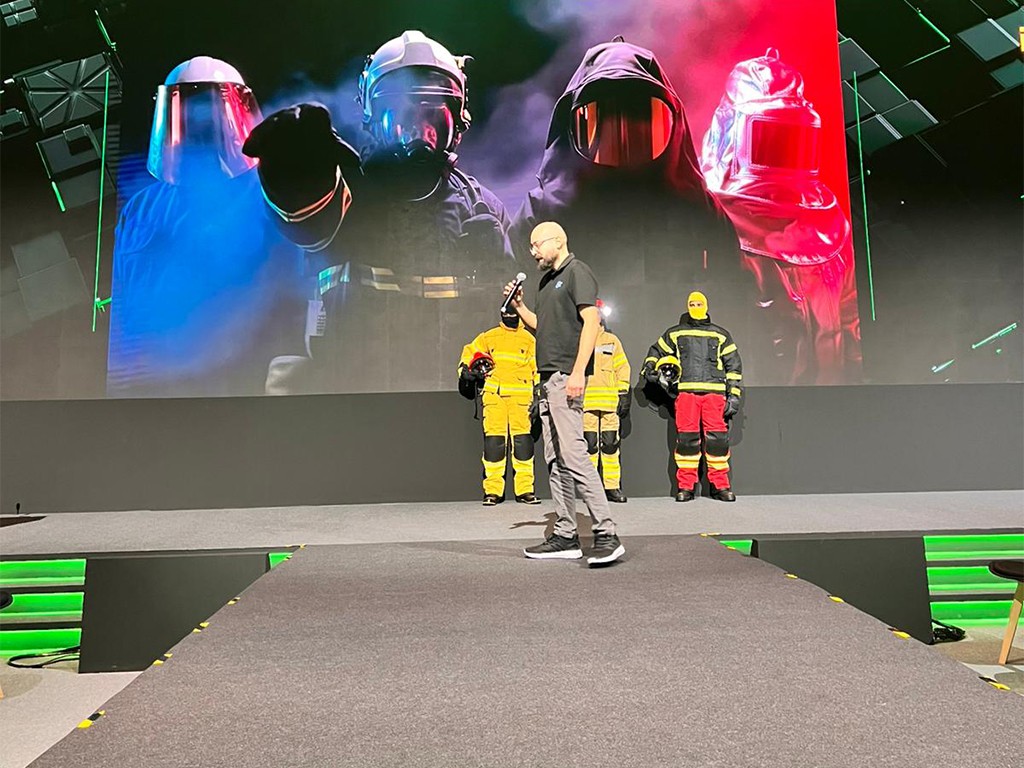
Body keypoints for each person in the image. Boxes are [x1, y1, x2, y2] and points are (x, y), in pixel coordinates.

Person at [242, 31, 517, 395]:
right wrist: (289, 168)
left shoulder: (484, 211)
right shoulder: (347, 195)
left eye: (434, 116)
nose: (419, 134)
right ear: (373, 119)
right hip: (358, 404)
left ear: (459, 121)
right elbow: (303, 220)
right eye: (400, 115)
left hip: (452, 404)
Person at [107, 56, 307, 397]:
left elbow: (299, 299)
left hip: (244, 393)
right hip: (153, 394)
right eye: (187, 113)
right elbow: (123, 312)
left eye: (210, 113)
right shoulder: (141, 209)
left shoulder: (274, 195)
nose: (199, 126)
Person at [505, 222, 624, 565]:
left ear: (557, 241)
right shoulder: (546, 283)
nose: (532, 251)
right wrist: (519, 307)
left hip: (564, 377)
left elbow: (592, 322)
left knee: (574, 456)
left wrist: (577, 372)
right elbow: (544, 327)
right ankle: (565, 535)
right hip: (547, 381)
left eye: (536, 244)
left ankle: (606, 533)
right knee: (556, 460)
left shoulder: (577, 272)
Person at [642, 291, 742, 502]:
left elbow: (733, 366)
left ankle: (721, 486)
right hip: (686, 394)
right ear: (688, 306)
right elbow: (656, 351)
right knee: (687, 441)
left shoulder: (721, 335)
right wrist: (649, 369)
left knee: (717, 442)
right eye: (692, 304)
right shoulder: (676, 333)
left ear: (706, 305)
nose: (696, 307)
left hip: (714, 395)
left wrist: (733, 395)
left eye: (699, 303)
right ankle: (686, 486)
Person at [458, 309, 540, 506]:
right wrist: (465, 371)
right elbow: (469, 352)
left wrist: (539, 393)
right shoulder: (489, 337)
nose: (509, 315)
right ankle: (493, 491)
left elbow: (537, 368)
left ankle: (525, 490)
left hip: (521, 399)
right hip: (495, 397)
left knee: (523, 444)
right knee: (494, 444)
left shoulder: (529, 340)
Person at [583, 300, 631, 502]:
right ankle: (591, 489)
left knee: (610, 445)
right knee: (590, 446)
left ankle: (612, 487)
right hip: (585, 404)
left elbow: (622, 367)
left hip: (610, 403)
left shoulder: (612, 341)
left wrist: (623, 393)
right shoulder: (579, 339)